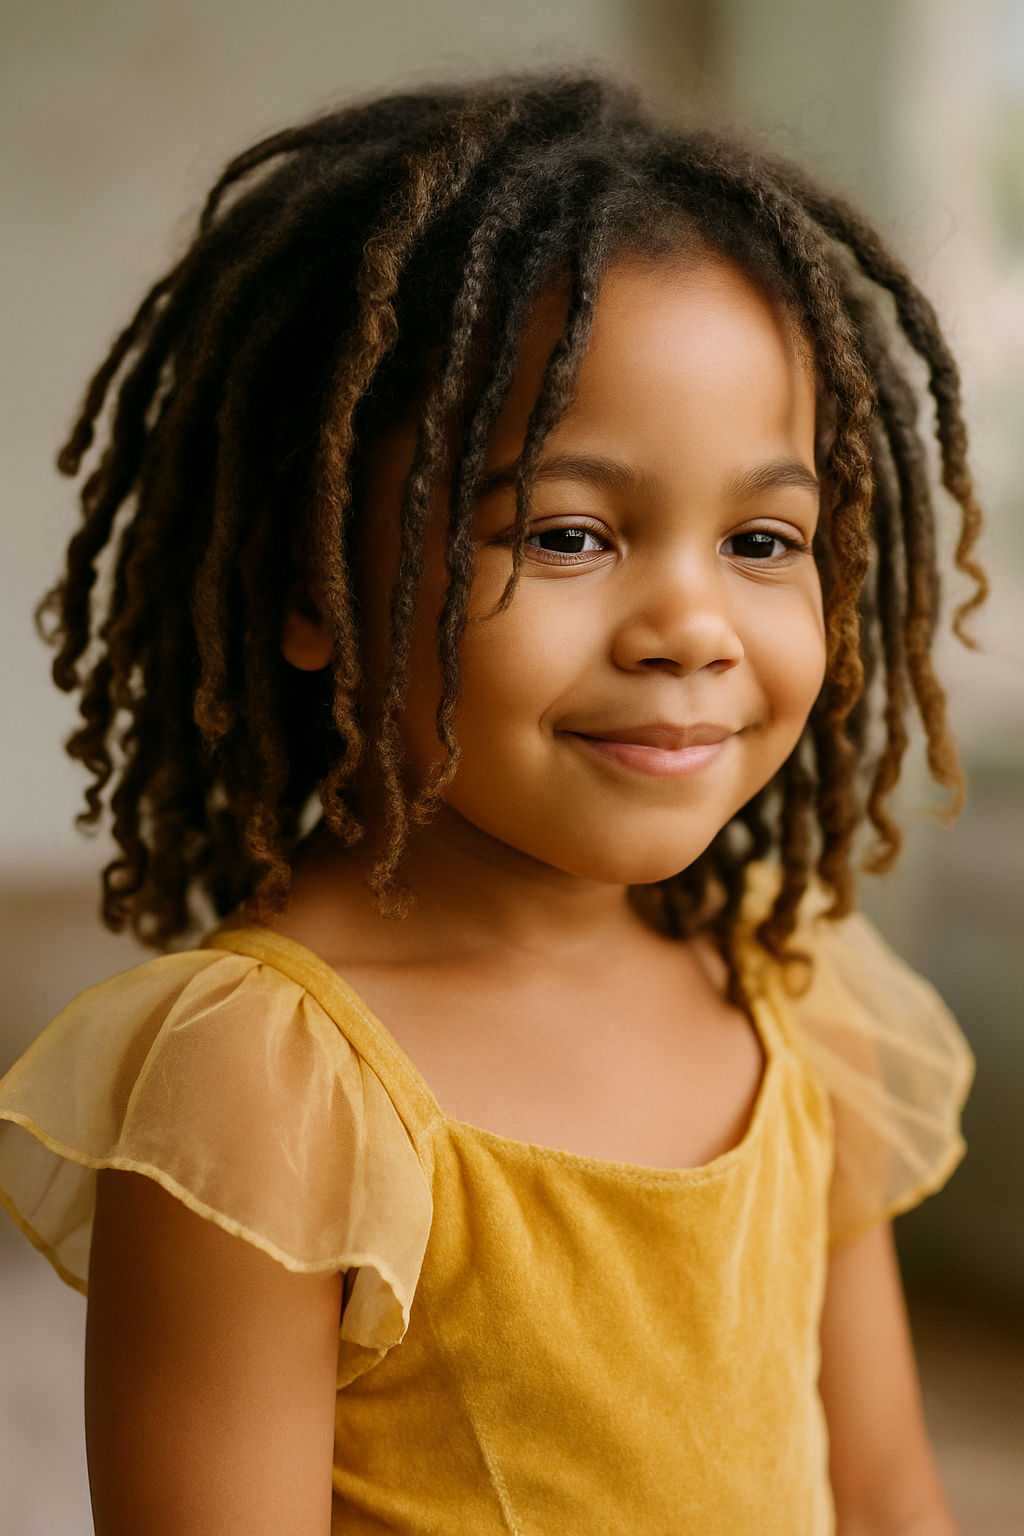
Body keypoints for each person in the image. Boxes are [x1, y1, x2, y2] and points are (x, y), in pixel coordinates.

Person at [0, 74, 985, 1535]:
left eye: (765, 538)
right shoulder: (270, 1081)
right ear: (315, 586)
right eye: (572, 532)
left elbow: (891, 1499)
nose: (693, 626)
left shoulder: (791, 987)